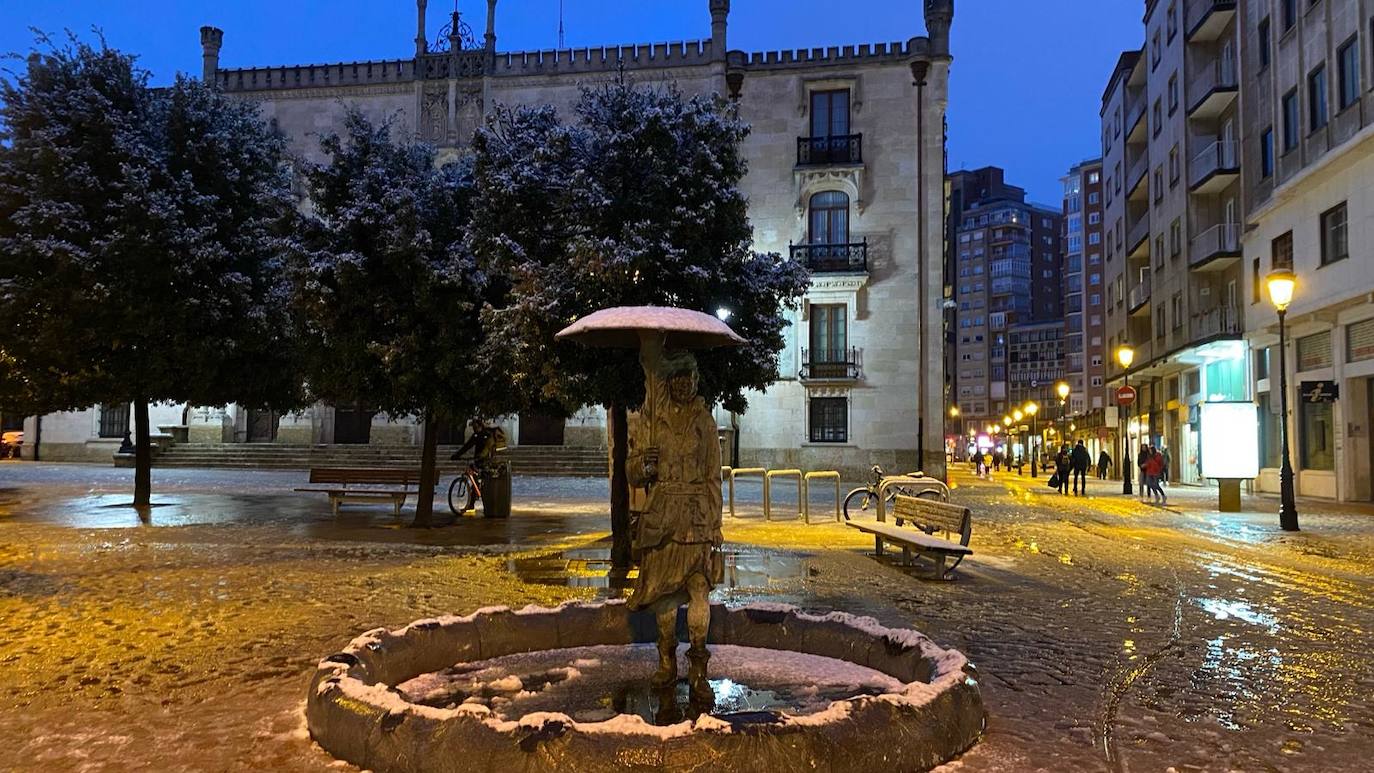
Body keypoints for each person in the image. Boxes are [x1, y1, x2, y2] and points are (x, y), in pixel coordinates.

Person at [626, 341, 723, 703]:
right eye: (678, 377)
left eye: (690, 377)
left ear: (697, 381)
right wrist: (643, 465)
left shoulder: (705, 422)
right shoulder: (652, 420)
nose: (685, 384)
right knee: (665, 596)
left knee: (699, 587)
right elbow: (633, 472)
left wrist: (715, 522)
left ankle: (699, 667)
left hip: (697, 515)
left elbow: (714, 475)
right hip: (662, 515)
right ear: (669, 383)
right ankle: (667, 661)